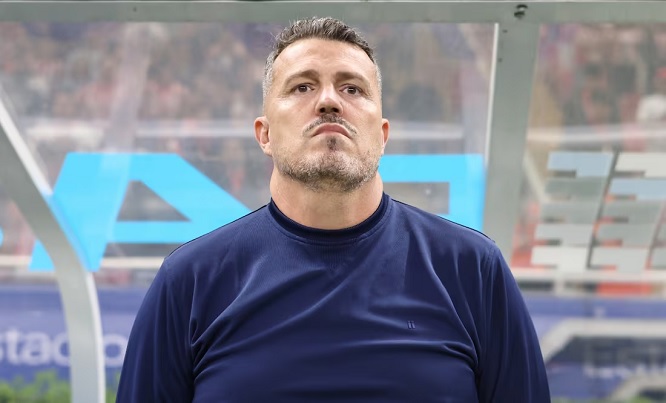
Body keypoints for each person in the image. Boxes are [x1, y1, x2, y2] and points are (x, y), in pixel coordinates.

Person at [117, 17, 550, 402]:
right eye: (302, 87)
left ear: (382, 135)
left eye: (352, 88)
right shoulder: (189, 282)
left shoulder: (472, 270)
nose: (329, 101)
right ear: (264, 134)